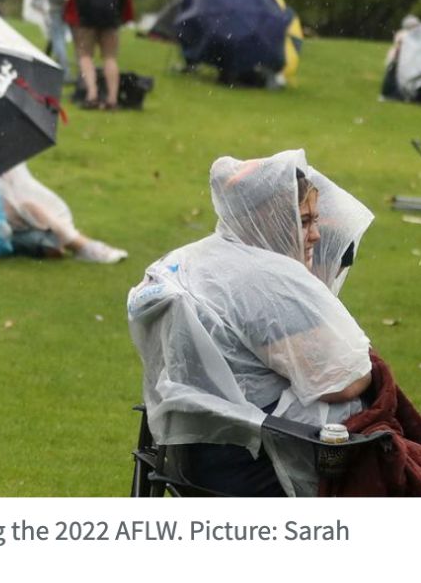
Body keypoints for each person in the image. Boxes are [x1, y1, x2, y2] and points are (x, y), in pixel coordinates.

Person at [128, 150, 374, 496]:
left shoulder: (192, 259)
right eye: (304, 221)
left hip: (190, 452)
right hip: (258, 460)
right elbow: (342, 381)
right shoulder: (266, 281)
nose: (317, 236)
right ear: (270, 219)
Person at [61, 0, 134, 110]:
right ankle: (112, 99)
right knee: (110, 57)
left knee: (85, 55)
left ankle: (92, 94)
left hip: (86, 11)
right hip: (111, 11)